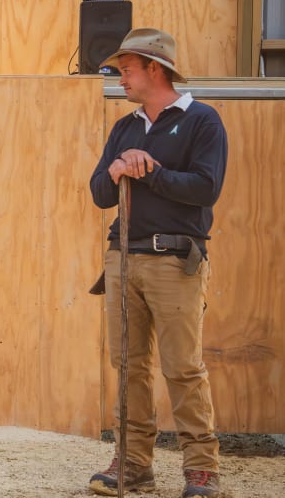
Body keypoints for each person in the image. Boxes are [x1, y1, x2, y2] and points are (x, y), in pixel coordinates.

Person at [88, 28, 227, 498]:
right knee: (129, 366)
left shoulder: (202, 121)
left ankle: (201, 470)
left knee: (182, 367)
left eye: (126, 68)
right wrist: (115, 170)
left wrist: (152, 171)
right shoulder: (125, 127)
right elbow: (99, 194)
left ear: (154, 68)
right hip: (123, 258)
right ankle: (132, 466)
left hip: (174, 261)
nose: (119, 76)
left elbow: (206, 189)